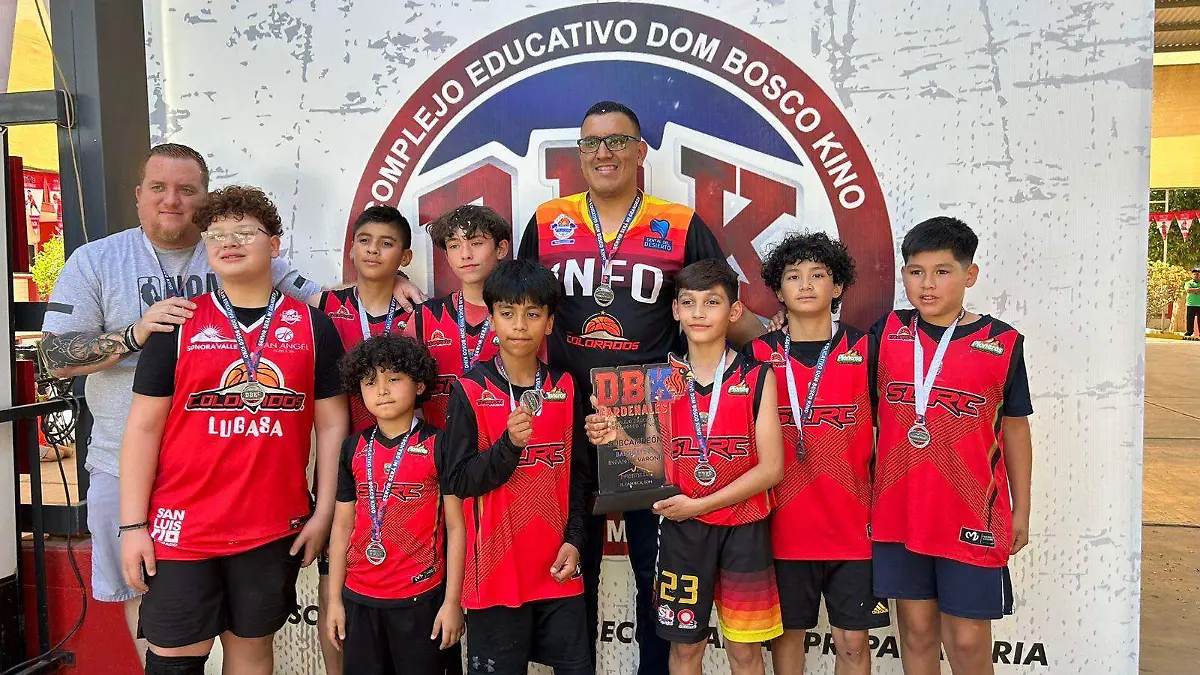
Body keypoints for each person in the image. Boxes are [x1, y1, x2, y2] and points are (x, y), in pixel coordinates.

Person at [36, 143, 326, 666]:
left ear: (204, 199)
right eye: (158, 188)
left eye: (186, 190)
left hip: (230, 480)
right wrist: (133, 334)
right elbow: (53, 356)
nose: (171, 200)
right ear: (138, 195)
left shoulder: (242, 250)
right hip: (123, 463)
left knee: (246, 638)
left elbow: (331, 305)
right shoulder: (97, 259)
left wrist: (391, 279)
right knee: (152, 615)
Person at [518, 101, 764, 674]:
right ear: (580, 152)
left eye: (616, 141)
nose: (603, 152)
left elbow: (721, 302)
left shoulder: (677, 222)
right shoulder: (549, 219)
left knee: (658, 568)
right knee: (570, 565)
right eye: (591, 142)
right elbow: (515, 298)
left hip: (654, 422)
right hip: (568, 415)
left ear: (639, 151)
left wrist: (782, 342)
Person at [117, 186, 349, 675]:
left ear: (275, 244)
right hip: (181, 528)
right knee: (174, 659)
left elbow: (332, 426)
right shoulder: (178, 324)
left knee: (250, 652)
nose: (228, 241)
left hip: (272, 527)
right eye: (216, 233)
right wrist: (133, 527)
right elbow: (142, 430)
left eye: (244, 231)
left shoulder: (313, 326)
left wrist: (324, 511)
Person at [586, 259, 784, 675]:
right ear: (675, 310)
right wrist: (616, 437)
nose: (698, 313)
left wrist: (701, 505)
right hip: (682, 534)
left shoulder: (758, 376)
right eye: (689, 302)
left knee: (745, 653)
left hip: (743, 531)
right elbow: (655, 463)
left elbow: (771, 470)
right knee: (684, 651)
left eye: (711, 302)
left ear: (733, 311)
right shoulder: (659, 381)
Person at [870, 216, 1033, 675]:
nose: (927, 284)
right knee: (917, 634)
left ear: (969, 274)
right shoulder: (887, 332)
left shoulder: (1002, 342)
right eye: (916, 271)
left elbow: (1015, 429)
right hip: (899, 511)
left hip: (971, 514)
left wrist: (1021, 508)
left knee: (966, 641)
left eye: (942, 271)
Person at [744, 233, 888, 674]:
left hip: (853, 528)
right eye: (793, 276)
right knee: (787, 642)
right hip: (781, 528)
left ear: (838, 285)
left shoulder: (867, 350)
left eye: (818, 275)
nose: (805, 285)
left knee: (853, 645)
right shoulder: (757, 355)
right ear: (778, 289)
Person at [440, 259, 593, 675]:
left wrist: (576, 539)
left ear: (549, 322)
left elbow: (579, 475)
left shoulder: (565, 386)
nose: (520, 325)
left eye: (532, 314)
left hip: (558, 568)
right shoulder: (470, 389)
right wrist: (508, 446)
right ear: (491, 320)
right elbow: (459, 481)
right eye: (507, 313)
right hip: (495, 576)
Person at [313, 204, 416, 674]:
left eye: (387, 243)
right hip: (341, 464)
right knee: (333, 585)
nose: (373, 251)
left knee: (405, 589)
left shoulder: (419, 313)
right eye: (365, 241)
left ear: (405, 257)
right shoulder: (322, 308)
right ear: (351, 248)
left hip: (405, 467)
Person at [325, 335, 465, 675]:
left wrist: (452, 602)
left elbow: (456, 526)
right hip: (359, 598)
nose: (382, 390)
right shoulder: (352, 448)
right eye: (370, 382)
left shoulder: (439, 444)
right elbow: (342, 526)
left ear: (419, 384)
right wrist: (334, 600)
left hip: (421, 599)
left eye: (394, 379)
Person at [404, 205, 507, 428]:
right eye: (454, 245)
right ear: (447, 256)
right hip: (439, 445)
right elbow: (404, 393)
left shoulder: (520, 316)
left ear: (501, 249)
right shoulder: (425, 316)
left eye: (476, 243)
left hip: (504, 445)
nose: (465, 254)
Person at [1185, 267, 1200, 338]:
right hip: (1190, 304)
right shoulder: (1188, 283)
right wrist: (1198, 290)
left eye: (1197, 274)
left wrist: (1193, 290)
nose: (1196, 275)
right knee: (1190, 319)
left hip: (1199, 304)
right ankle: (1189, 332)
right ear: (1192, 275)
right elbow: (1188, 290)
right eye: (1194, 274)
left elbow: (1191, 290)